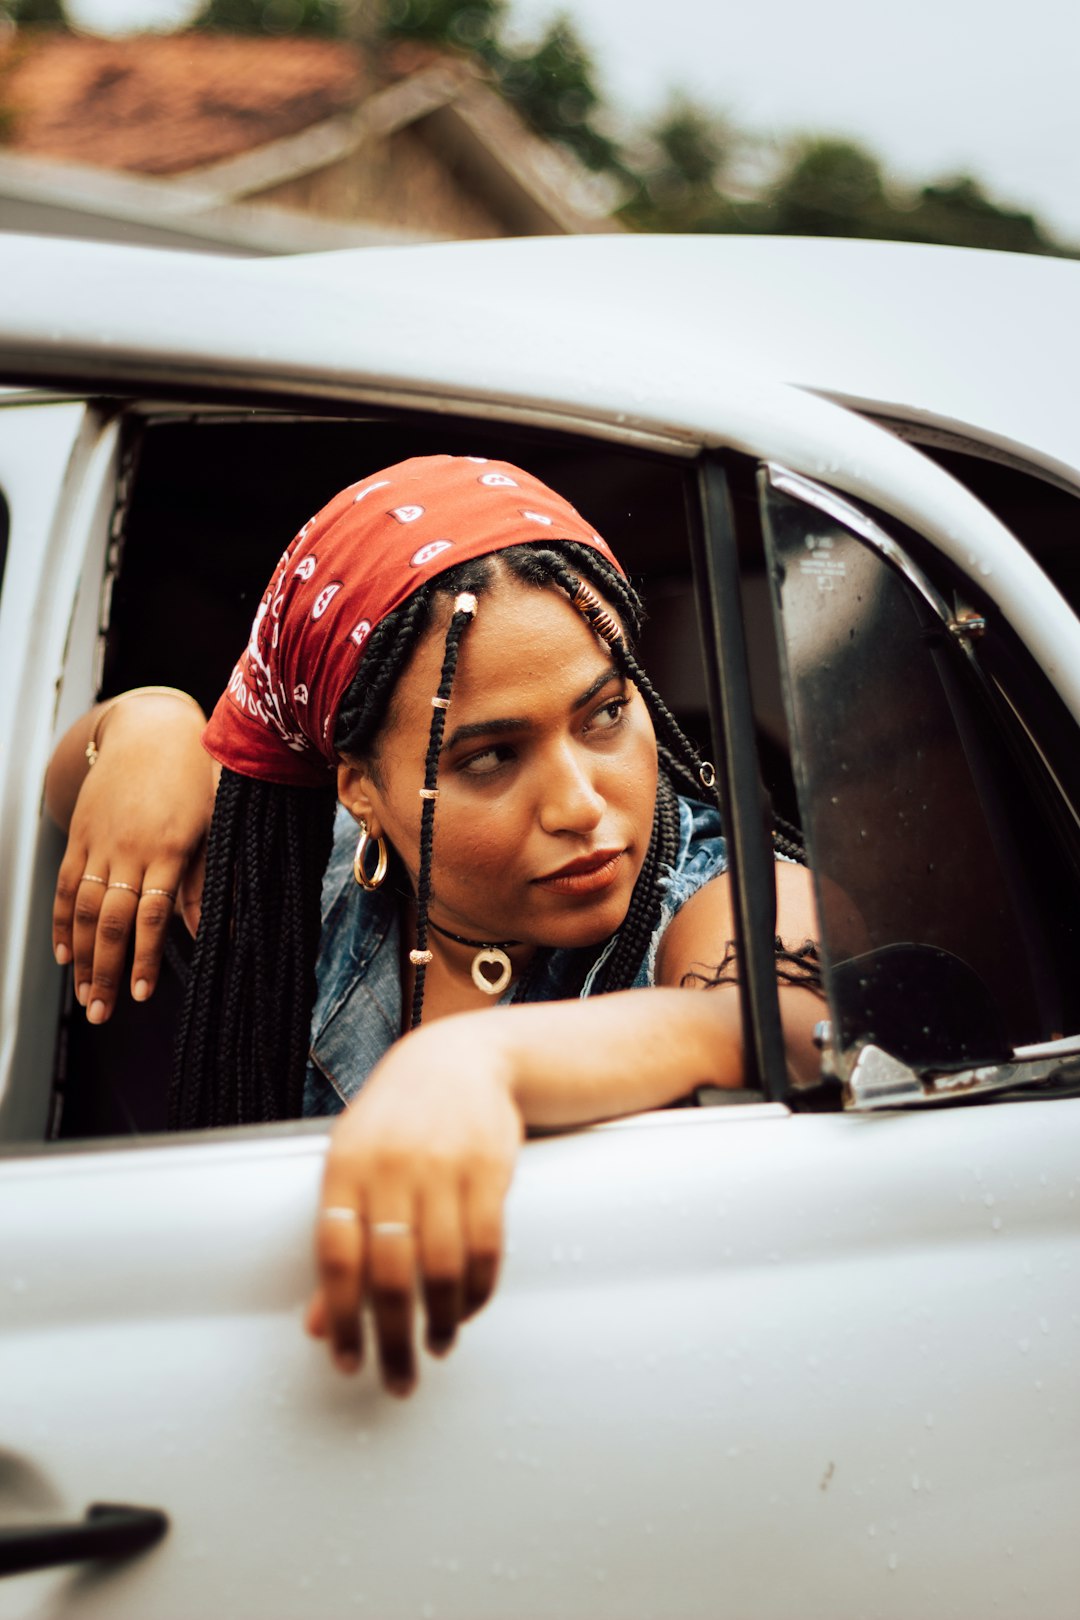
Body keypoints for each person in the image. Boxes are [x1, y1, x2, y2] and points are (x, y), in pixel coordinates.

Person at [46, 453, 821, 1395]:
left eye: (606, 715)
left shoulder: (704, 887)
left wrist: (482, 1062)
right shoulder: (289, 880)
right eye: (492, 758)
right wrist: (144, 726)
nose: (582, 803)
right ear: (361, 790)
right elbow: (67, 795)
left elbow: (790, 1019)